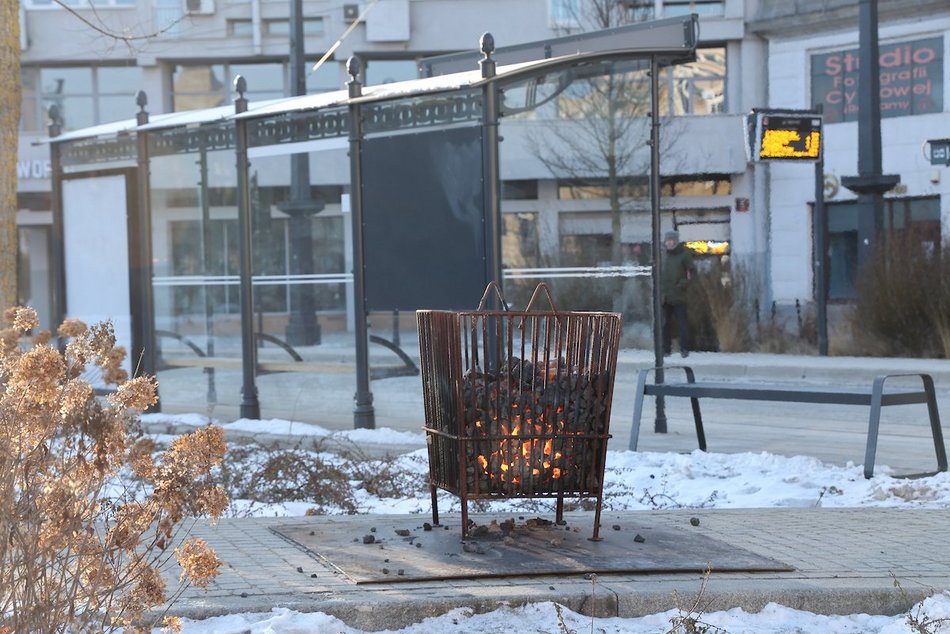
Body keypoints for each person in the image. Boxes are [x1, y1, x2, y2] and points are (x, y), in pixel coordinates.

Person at [660, 230, 695, 357]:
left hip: (679, 296)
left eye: (671, 240)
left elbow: (691, 273)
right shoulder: (663, 256)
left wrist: (682, 285)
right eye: (667, 240)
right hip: (665, 297)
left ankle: (684, 349)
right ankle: (665, 350)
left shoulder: (684, 255)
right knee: (664, 325)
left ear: (675, 241)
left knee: (682, 324)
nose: (669, 243)